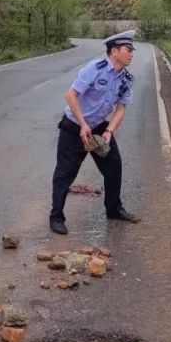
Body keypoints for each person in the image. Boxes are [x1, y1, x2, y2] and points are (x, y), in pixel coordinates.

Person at [49, 30, 140, 235]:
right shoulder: (95, 68)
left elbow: (121, 109)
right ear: (114, 51)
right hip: (74, 125)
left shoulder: (126, 79)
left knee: (114, 166)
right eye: (128, 50)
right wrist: (82, 124)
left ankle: (114, 209)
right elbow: (70, 95)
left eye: (132, 50)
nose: (132, 54)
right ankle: (56, 217)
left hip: (98, 125)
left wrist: (109, 131)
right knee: (65, 172)